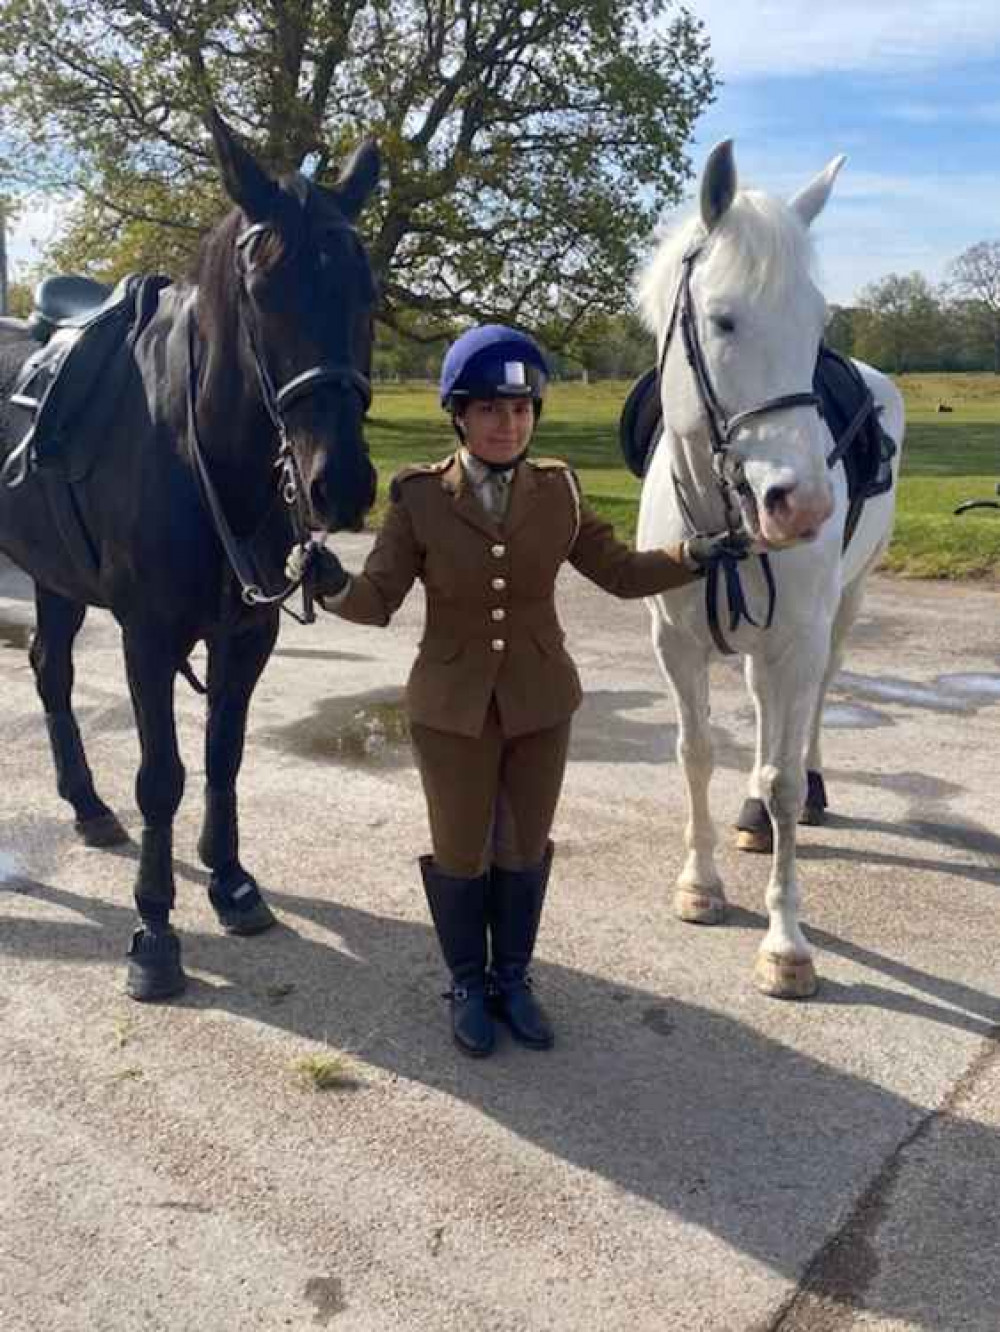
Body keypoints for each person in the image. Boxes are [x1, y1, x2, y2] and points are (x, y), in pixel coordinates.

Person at [288, 325, 749, 1057]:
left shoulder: (558, 489)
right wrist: (334, 586)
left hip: (541, 702)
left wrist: (695, 554)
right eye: (491, 411)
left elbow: (622, 573)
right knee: (461, 850)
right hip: (450, 708)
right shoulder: (419, 497)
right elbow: (377, 602)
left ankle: (514, 976)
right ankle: (467, 981)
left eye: (522, 410)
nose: (509, 425)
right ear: (459, 416)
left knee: (524, 846)